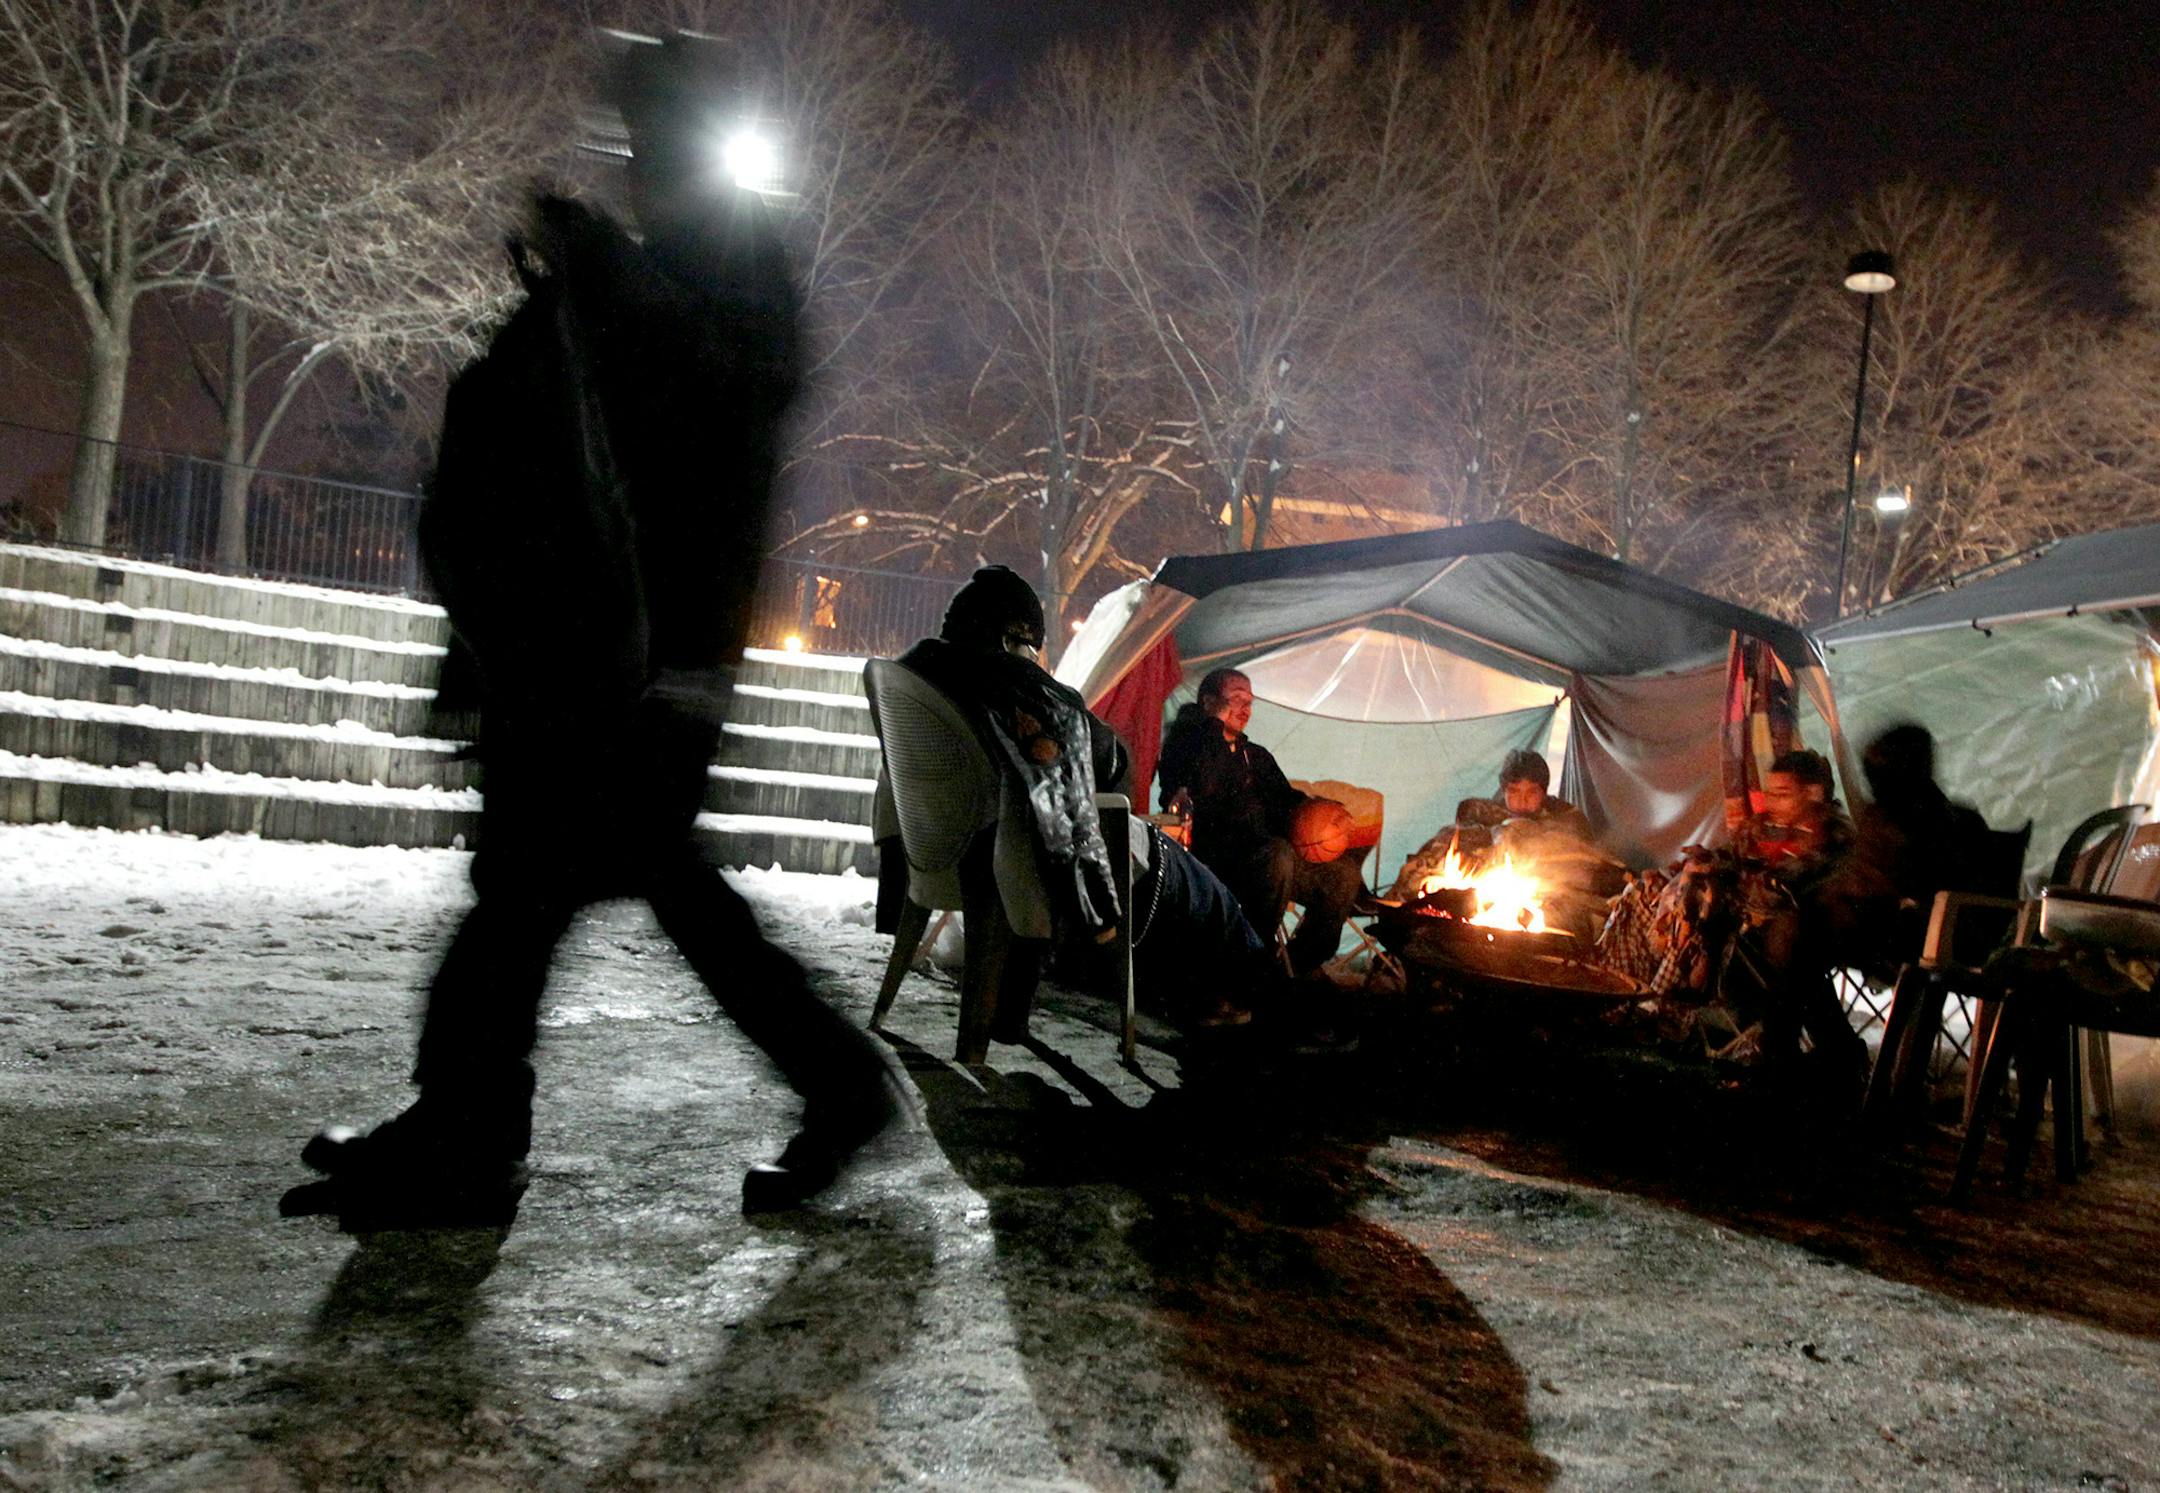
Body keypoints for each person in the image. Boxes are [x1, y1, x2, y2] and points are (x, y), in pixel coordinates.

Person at [282, 35, 898, 1229]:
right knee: (580, 889)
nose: (640, 169)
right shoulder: (676, 266)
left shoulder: (737, 273)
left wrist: (600, 268)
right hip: (609, 648)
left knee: (541, 892)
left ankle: (469, 1134)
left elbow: (711, 386)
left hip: (649, 659)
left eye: (656, 141)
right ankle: (476, 1126)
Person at [892, 567, 1281, 1031]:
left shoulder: (914, 674)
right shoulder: (1022, 689)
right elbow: (1084, 783)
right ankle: (1274, 998)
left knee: (1176, 885)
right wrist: (1097, 909)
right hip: (1040, 850)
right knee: (1198, 892)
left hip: (948, 845)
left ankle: (1212, 989)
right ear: (1015, 639)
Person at [1156, 667, 1366, 976]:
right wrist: (1212, 723)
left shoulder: (1255, 756)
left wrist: (1321, 811)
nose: (1245, 709)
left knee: (1343, 874)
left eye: (1249, 701)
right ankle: (1249, 959)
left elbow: (1285, 800)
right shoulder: (1186, 746)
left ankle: (1295, 964)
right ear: (1208, 702)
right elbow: (1202, 784)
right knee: (1278, 855)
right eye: (1236, 698)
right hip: (1214, 860)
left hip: (1268, 861)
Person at [1722, 748, 1879, 1084]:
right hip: (1765, 929)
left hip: (1817, 931)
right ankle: (1823, 1053)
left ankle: (1784, 1058)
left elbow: (1801, 880)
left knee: (1788, 956)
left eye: (1784, 794)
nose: (1774, 802)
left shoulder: (1833, 832)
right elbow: (1731, 860)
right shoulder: (1760, 828)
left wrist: (1759, 887)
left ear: (1813, 792)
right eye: (1771, 793)